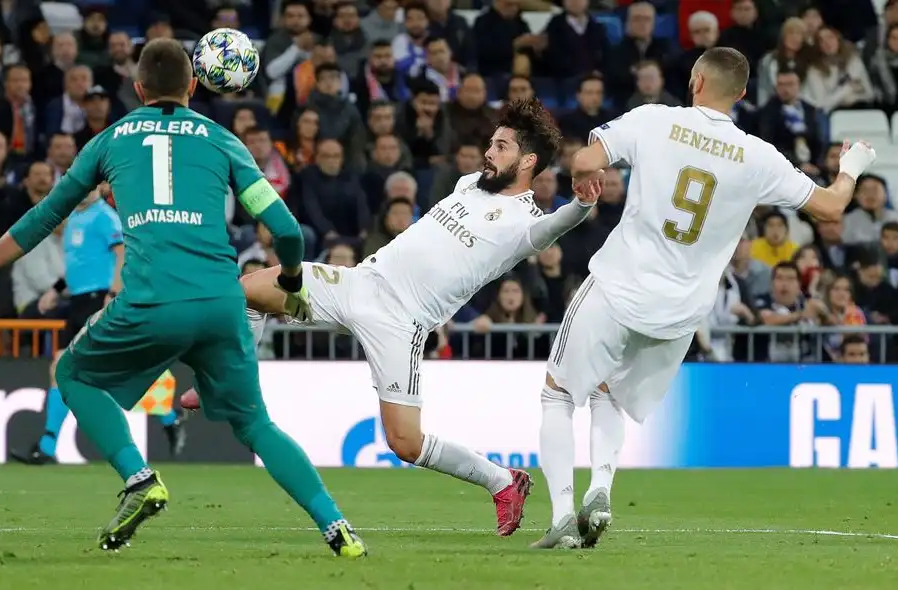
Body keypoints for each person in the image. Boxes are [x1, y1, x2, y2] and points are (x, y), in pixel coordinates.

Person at [0, 38, 366, 559]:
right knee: (256, 424)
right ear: (194, 86)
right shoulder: (223, 141)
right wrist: (294, 282)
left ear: (137, 88)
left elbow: (45, 217)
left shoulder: (110, 140)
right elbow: (286, 229)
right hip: (219, 305)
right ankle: (338, 528)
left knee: (73, 375)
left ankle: (139, 478)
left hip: (151, 303)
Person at [186, 99, 604, 537]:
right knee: (247, 294)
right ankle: (228, 381)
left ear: (528, 160)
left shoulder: (526, 224)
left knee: (405, 443)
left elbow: (554, 227)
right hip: (357, 284)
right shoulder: (468, 184)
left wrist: (579, 206)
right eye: (492, 143)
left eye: (501, 146)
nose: (489, 152)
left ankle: (501, 481)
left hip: (400, 325)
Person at [531, 47, 877, 549]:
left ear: (694, 81)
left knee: (558, 394)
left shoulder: (654, 120)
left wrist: (586, 176)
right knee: (608, 393)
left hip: (619, 285)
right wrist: (852, 165)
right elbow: (829, 207)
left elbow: (585, 158)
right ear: (740, 95)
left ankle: (563, 514)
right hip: (680, 313)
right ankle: (600, 489)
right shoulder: (759, 155)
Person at [10, 186, 187, 465]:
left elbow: (123, 253)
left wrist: (113, 294)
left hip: (98, 299)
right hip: (78, 303)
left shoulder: (105, 217)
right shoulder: (74, 220)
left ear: (99, 187)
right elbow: (79, 264)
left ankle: (46, 446)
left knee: (68, 368)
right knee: (69, 368)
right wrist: (56, 290)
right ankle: (169, 417)